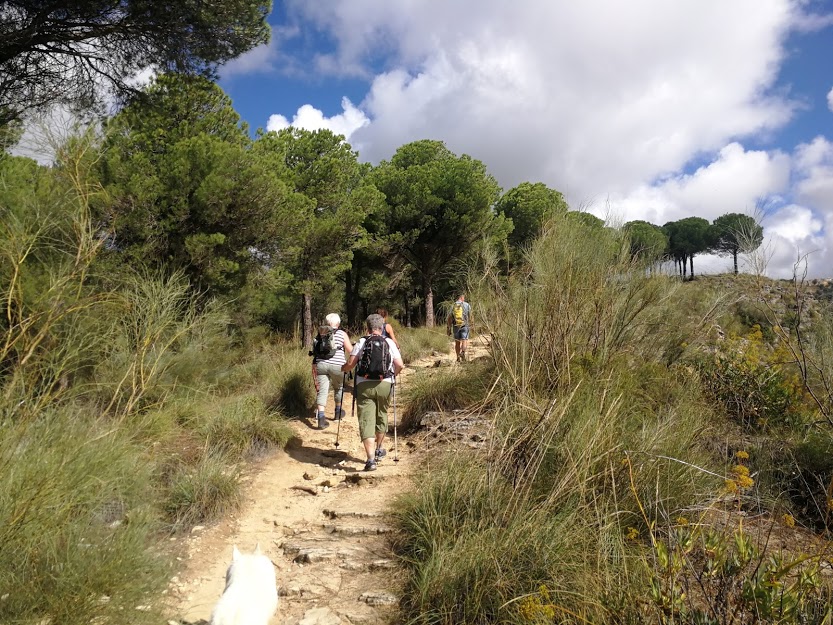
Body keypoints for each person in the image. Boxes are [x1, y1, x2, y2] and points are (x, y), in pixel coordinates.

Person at [341, 314, 404, 471]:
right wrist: (392, 376)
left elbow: (351, 364)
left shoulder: (362, 342)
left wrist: (343, 369)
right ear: (382, 327)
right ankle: (379, 449)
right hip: (385, 384)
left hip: (364, 385)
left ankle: (370, 460)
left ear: (367, 328)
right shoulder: (389, 342)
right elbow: (400, 365)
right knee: (381, 415)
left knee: (366, 419)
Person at [311, 313, 353, 430]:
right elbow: (351, 350)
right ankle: (338, 412)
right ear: (338, 323)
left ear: (327, 322)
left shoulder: (320, 333)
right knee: (338, 387)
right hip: (337, 365)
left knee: (323, 390)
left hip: (321, 364)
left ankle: (321, 418)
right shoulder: (342, 333)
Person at [446, 293, 472, 362]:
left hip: (456, 326)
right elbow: (471, 316)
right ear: (462, 297)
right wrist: (472, 324)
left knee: (457, 342)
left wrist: (448, 328)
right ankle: (463, 352)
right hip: (465, 325)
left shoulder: (453, 305)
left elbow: (449, 318)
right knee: (464, 340)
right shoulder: (467, 305)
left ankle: (458, 358)